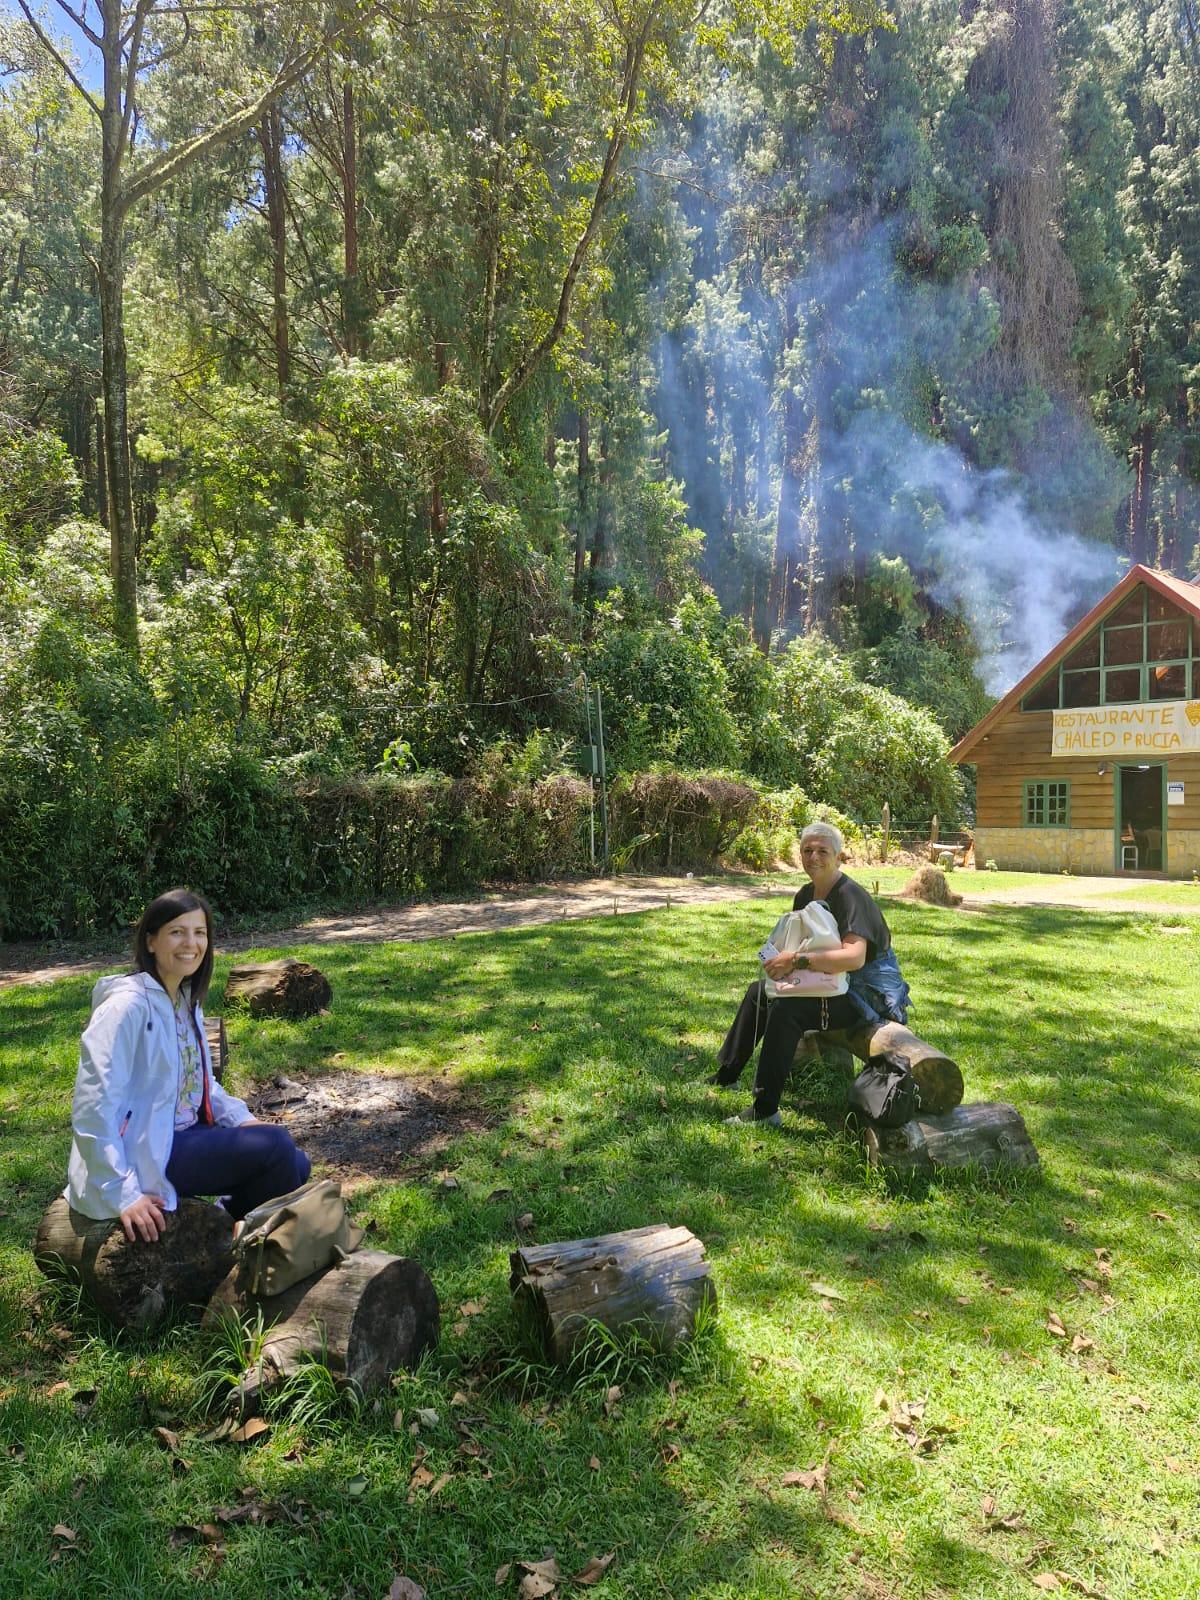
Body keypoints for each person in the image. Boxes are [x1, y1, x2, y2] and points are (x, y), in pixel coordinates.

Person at [66, 888, 310, 1243]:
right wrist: (121, 1190)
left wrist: (243, 1120)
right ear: (151, 941)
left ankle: (222, 1225)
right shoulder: (125, 1007)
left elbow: (203, 1085)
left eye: (200, 933)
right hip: (145, 1149)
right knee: (277, 1150)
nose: (191, 943)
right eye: (177, 932)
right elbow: (92, 1106)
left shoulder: (184, 1000)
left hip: (182, 1134)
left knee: (296, 1162)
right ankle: (231, 1232)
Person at [714, 821, 910, 1126]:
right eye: (807, 850)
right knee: (760, 992)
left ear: (839, 856)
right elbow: (798, 942)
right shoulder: (806, 894)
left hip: (866, 993)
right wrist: (780, 962)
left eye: (822, 850)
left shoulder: (850, 896)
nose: (814, 857)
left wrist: (796, 961)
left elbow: (854, 958)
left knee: (788, 1009)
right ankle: (727, 1075)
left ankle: (765, 1111)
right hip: (829, 981)